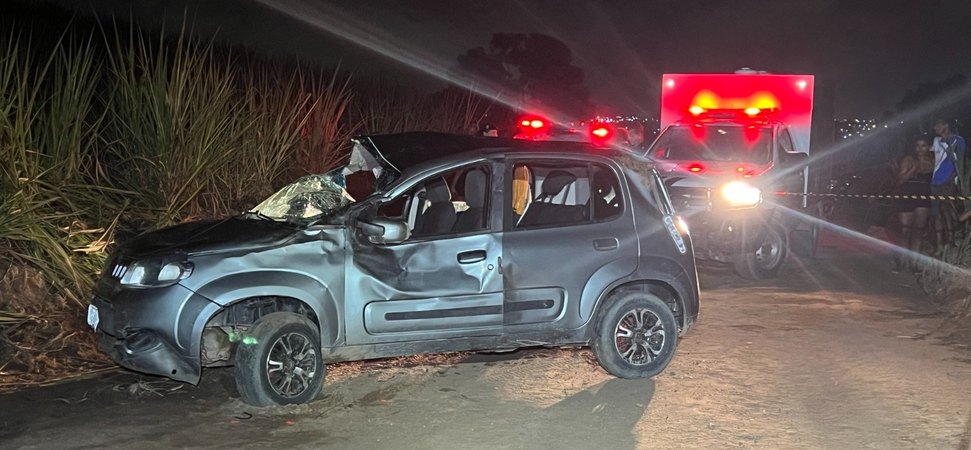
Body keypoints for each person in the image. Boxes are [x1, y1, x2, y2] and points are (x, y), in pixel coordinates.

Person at [892, 135, 934, 272]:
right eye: (918, 146)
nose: (920, 149)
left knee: (918, 232)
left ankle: (915, 264)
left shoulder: (933, 160)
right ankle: (901, 261)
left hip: (923, 197)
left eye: (923, 146)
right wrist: (912, 169)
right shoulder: (908, 160)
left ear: (929, 147)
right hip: (906, 197)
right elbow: (899, 180)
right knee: (905, 231)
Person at [930, 118, 967, 247]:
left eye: (937, 125)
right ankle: (942, 243)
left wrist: (953, 178)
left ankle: (953, 238)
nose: (935, 128)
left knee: (949, 211)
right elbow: (932, 158)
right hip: (935, 182)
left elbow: (960, 163)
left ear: (945, 125)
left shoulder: (959, 140)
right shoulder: (936, 141)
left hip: (950, 182)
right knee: (937, 213)